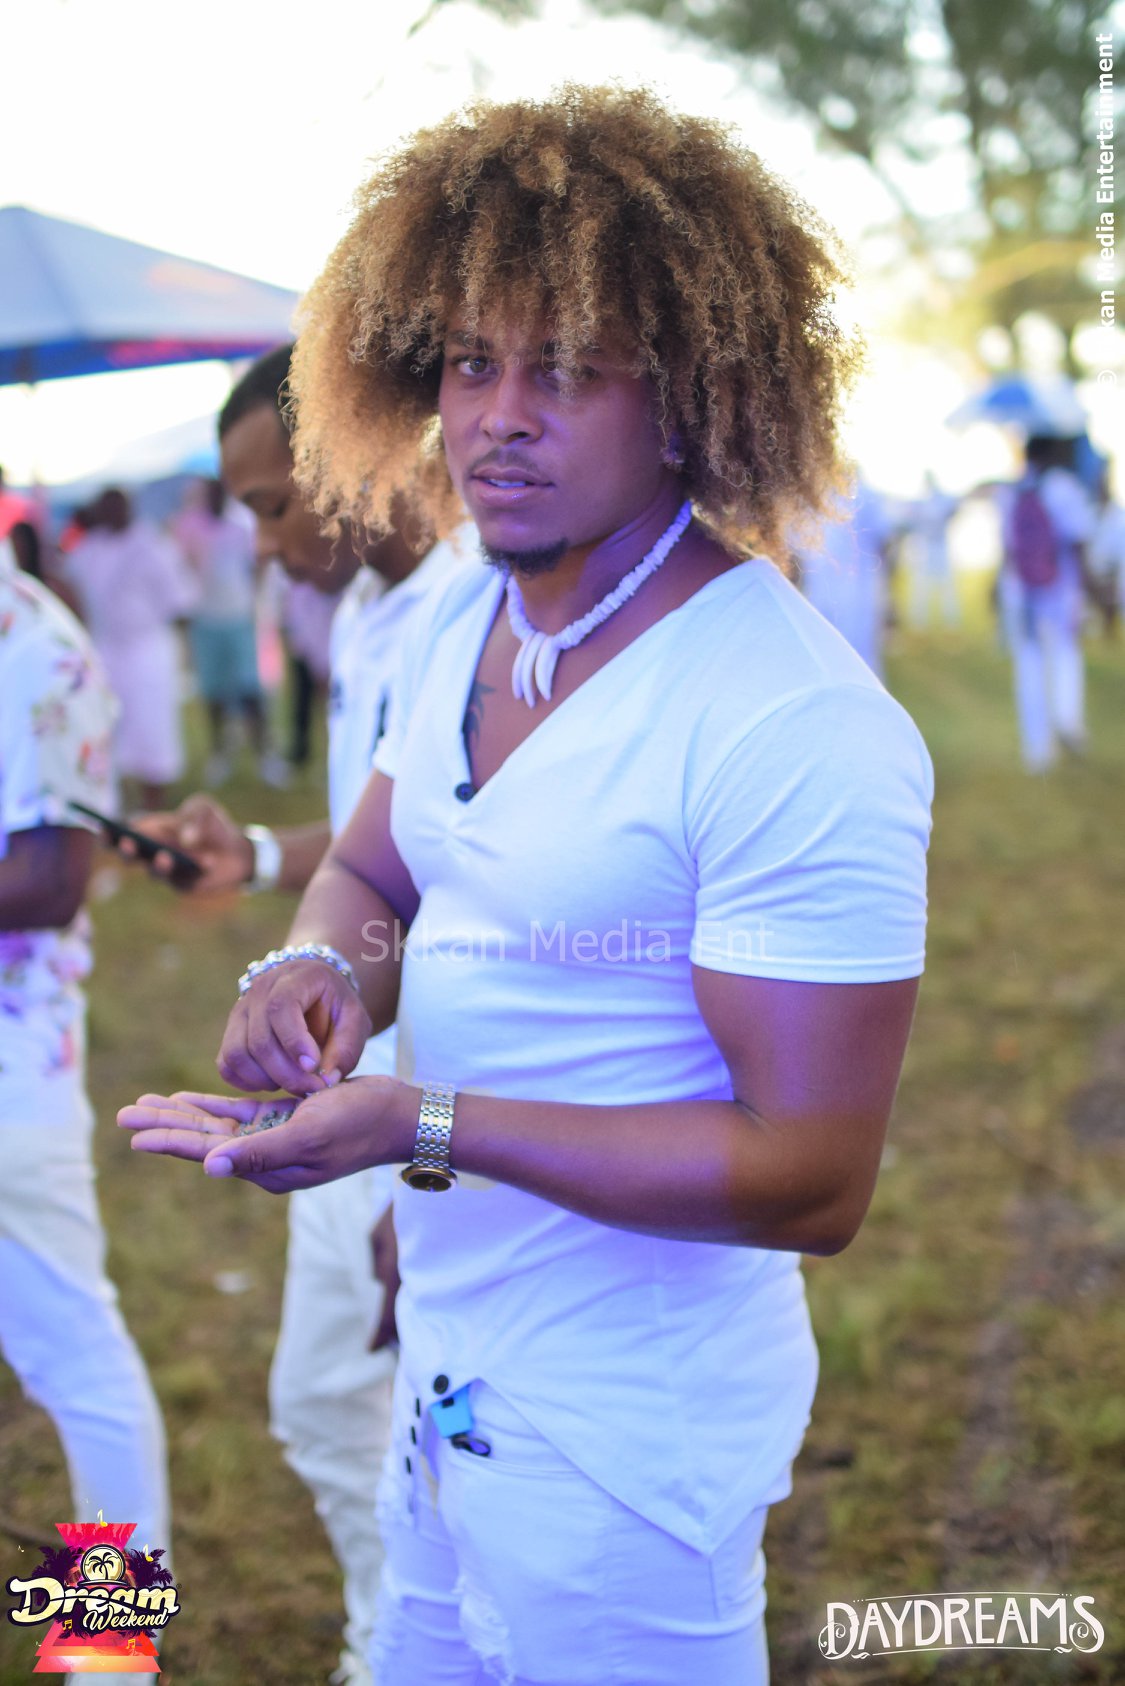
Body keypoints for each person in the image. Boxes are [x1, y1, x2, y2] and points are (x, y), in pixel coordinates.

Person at [120, 86, 933, 1686]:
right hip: (448, 1378)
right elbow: (378, 865)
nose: (495, 417)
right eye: (469, 362)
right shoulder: (464, 626)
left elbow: (810, 1176)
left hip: (629, 1453)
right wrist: (311, 975)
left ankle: (96, 1631)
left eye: (564, 369)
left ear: (690, 394)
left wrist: (423, 1124)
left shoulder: (789, 718)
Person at [130, 344, 465, 1686]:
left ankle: (400, 1650)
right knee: (326, 1406)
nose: (263, 549)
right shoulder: (373, 612)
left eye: (272, 508)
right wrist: (261, 858)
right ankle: (389, 1642)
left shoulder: (474, 608)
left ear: (354, 455)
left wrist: (426, 1163)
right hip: (348, 1081)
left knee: (415, 1432)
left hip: (426, 1101)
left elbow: (474, 898)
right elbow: (379, 846)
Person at [0, 539, 170, 1686]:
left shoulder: (40, 651)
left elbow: (54, 877)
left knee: (75, 1365)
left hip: (11, 1075)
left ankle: (110, 1655)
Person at [60, 488, 198, 809]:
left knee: (151, 732)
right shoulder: (90, 548)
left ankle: (153, 804)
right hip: (105, 651)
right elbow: (70, 587)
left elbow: (179, 601)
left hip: (146, 651)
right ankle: (119, 805)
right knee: (106, 730)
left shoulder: (153, 545)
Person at [172, 477, 285, 788]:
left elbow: (258, 564)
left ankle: (265, 754)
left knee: (250, 690)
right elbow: (180, 565)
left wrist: (253, 599)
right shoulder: (189, 527)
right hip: (206, 621)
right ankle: (220, 754)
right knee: (214, 693)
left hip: (238, 618)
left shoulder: (241, 527)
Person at [996, 434, 1096, 771]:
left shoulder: (1011, 491)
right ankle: (1067, 718)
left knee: (1029, 662)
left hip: (1021, 590)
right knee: (1065, 653)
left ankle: (1037, 749)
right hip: (1059, 588)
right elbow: (1078, 540)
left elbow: (1008, 548)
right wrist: (1091, 585)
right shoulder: (1064, 487)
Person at [792, 479, 893, 676]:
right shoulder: (813, 492)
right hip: (832, 587)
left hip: (852, 587)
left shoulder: (863, 493)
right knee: (835, 651)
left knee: (852, 651)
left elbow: (883, 538)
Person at [905, 473, 960, 631]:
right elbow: (910, 519)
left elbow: (954, 509)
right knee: (921, 588)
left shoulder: (943, 499)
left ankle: (951, 623)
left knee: (947, 588)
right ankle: (919, 624)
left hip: (940, 546)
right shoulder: (921, 502)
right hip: (926, 548)